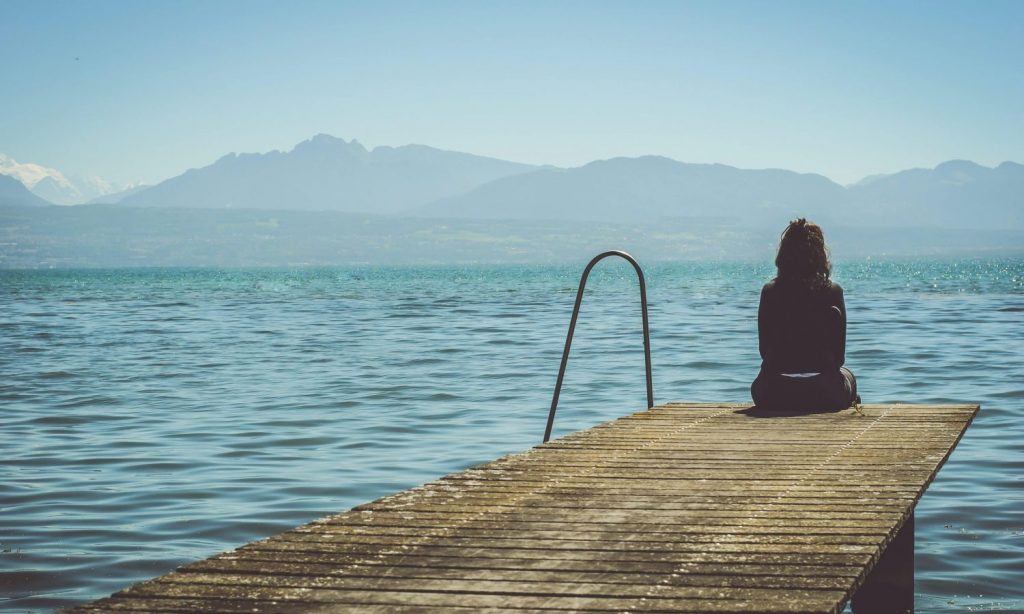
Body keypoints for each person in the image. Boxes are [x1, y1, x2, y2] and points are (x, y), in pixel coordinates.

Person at [751, 218, 858, 411]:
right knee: (848, 375)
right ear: (820, 256)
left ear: (783, 255)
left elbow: (764, 351)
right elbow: (839, 358)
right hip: (824, 392)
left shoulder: (770, 292)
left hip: (774, 392)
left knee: (759, 383)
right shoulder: (833, 291)